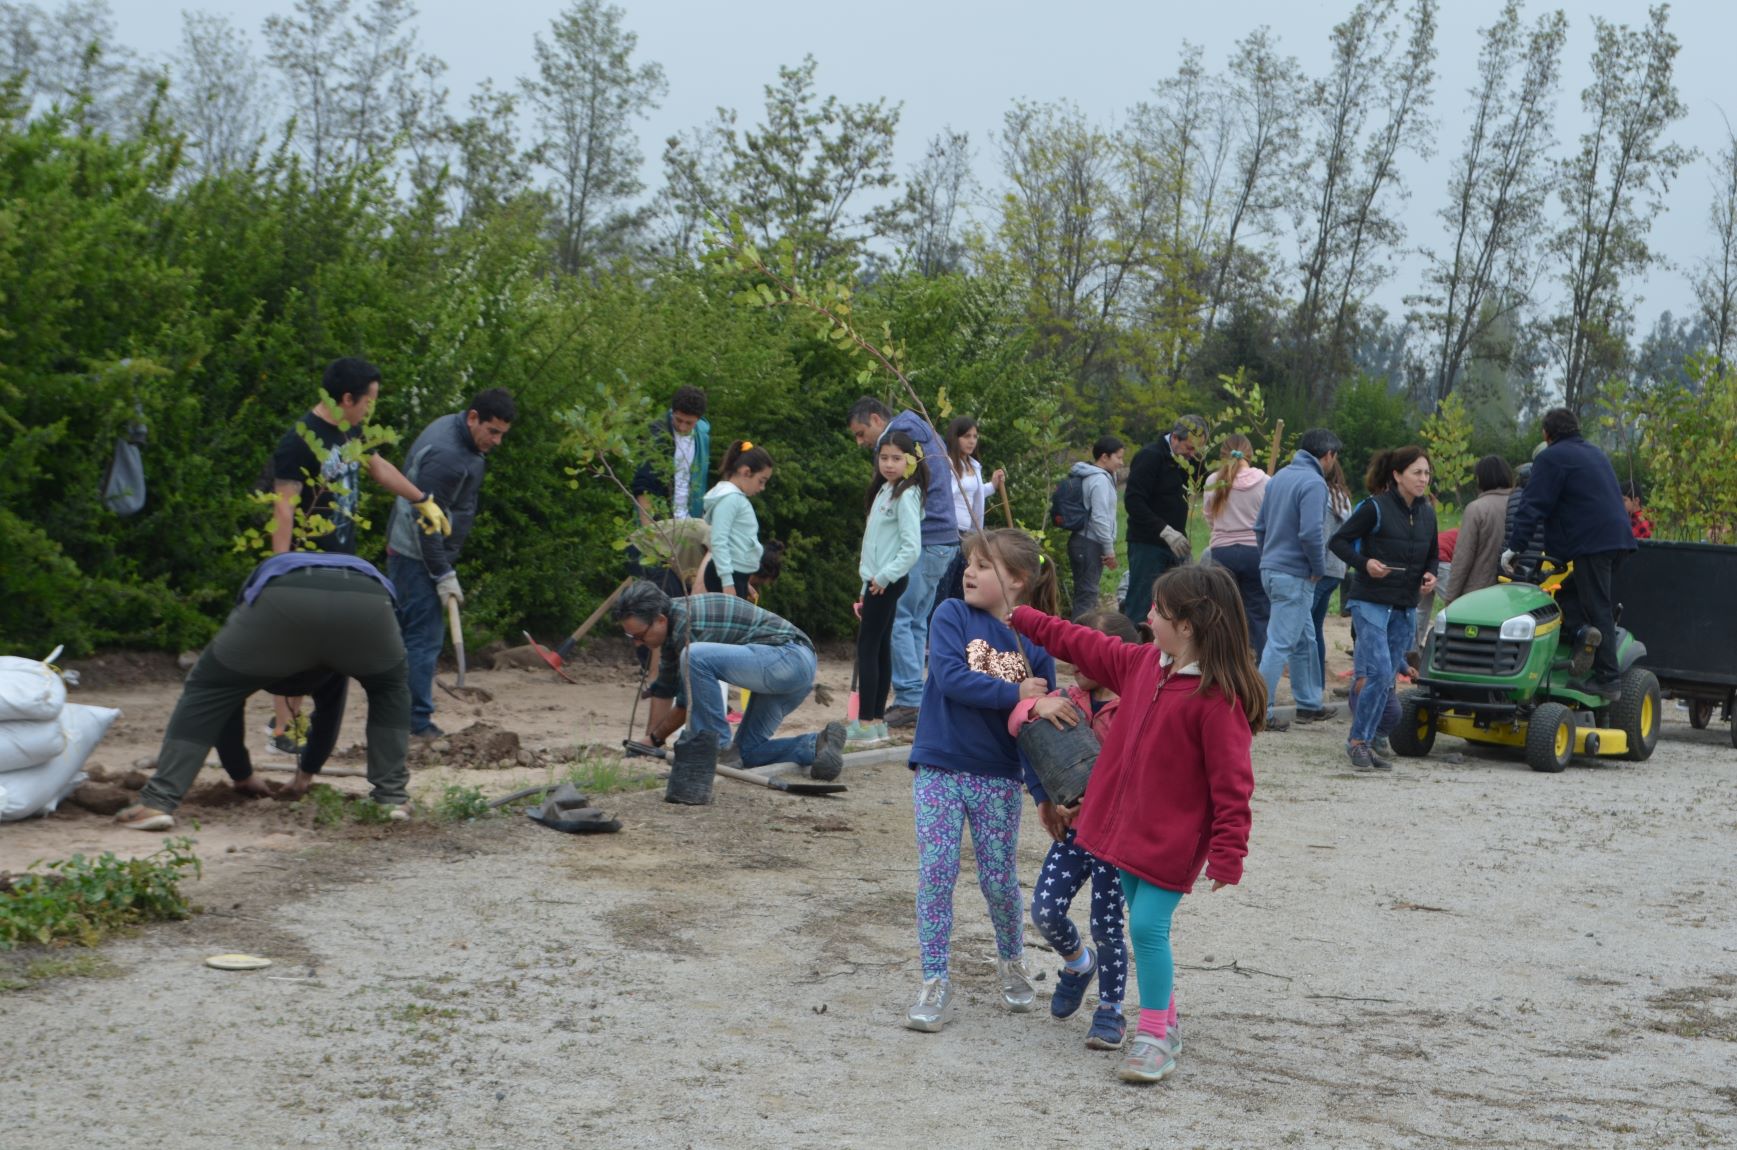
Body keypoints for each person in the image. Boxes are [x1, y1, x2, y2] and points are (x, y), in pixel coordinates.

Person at [1009, 564, 1259, 1084]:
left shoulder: (1217, 701)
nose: (1146, 618)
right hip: (1120, 833)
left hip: (1172, 840)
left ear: (1187, 624)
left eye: (1158, 611)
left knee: (1146, 928)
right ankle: (1166, 1017)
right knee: (1142, 927)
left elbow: (1233, 786)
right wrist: (1024, 617)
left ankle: (1151, 1036)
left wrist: (1228, 853)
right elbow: (1077, 641)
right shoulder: (1143, 663)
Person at [114, 553, 414, 831]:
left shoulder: (263, 593)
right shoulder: (334, 669)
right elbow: (329, 715)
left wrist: (241, 775)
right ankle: (391, 799)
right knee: (390, 690)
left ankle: (157, 802)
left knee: (213, 687)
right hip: (370, 601)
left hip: (281, 599)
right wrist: (306, 774)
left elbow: (223, 703)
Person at [903, 529, 1059, 1034]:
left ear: (1017, 581)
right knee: (938, 871)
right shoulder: (951, 615)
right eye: (970, 562)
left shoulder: (1035, 645)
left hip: (997, 776)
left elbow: (1040, 728)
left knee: (998, 879)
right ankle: (933, 978)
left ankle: (1011, 960)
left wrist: (1044, 794)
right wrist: (1015, 691)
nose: (969, 572)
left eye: (984, 566)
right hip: (940, 767)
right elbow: (949, 677)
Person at [267, 357, 449, 755]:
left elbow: (378, 467)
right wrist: (278, 570)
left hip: (341, 562)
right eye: (368, 401)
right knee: (298, 645)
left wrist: (422, 500)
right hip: (305, 561)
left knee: (324, 648)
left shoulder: (349, 431)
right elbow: (284, 508)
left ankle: (295, 724)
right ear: (347, 398)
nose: (370, 408)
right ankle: (283, 731)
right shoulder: (298, 441)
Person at [1006, 608, 1141, 1052]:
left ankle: (1111, 1010)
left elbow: (1141, 773)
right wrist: (1043, 796)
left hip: (1117, 839)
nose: (1074, 662)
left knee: (1107, 925)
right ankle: (1079, 965)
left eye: (1085, 653)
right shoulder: (1065, 699)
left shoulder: (1137, 706)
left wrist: (1100, 798)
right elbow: (1025, 731)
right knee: (1045, 911)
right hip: (1074, 833)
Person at [613, 581, 846, 778]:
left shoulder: (688, 624)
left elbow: (687, 703)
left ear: (660, 620)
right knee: (745, 754)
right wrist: (650, 742)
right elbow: (665, 689)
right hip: (792, 670)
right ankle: (816, 745)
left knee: (694, 656)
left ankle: (717, 747)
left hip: (788, 657)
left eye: (639, 635)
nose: (637, 643)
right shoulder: (674, 631)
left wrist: (654, 739)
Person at [386, 388, 516, 739]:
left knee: (408, 638)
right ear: (473, 417)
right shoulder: (448, 456)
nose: (498, 441)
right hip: (416, 557)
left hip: (415, 553)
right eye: (493, 431)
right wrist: (441, 571)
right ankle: (415, 722)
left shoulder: (459, 434)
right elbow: (425, 523)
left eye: (503, 433)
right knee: (423, 640)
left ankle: (398, 715)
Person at [1504, 408, 1636, 700]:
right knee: (1567, 595)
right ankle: (1582, 637)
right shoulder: (1594, 452)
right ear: (1575, 428)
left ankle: (1608, 679)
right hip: (1618, 541)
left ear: (1546, 434)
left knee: (1597, 606)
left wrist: (1515, 546)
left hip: (1593, 544)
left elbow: (1533, 504)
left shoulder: (1551, 457)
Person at [847, 398, 956, 729]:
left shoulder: (903, 437)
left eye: (862, 433)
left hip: (928, 537)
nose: (861, 442)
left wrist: (883, 572)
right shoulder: (918, 429)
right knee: (916, 620)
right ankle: (915, 697)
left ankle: (909, 700)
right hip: (943, 538)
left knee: (900, 619)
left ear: (878, 419)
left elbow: (908, 529)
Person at [1330, 446, 1439, 771]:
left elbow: (1431, 554)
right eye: (1417, 472)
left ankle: (1371, 740)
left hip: (1405, 606)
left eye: (1427, 473)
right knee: (1377, 672)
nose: (1423, 479)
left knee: (1387, 678)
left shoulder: (1428, 513)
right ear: (1397, 475)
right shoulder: (1375, 508)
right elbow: (1337, 542)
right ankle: (1358, 742)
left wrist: (1429, 574)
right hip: (1370, 603)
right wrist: (1365, 564)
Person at [1253, 427, 1342, 731]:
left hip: (1272, 568)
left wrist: (1268, 557)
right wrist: (1318, 566)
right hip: (1296, 574)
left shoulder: (1278, 477)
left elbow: (1260, 527)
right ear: (1327, 455)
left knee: (1305, 638)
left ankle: (1308, 703)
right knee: (1279, 643)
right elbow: (1310, 533)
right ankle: (1259, 711)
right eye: (1334, 457)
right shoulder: (1314, 482)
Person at [850, 431, 926, 746]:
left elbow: (911, 548)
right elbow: (876, 545)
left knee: (868, 648)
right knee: (879, 647)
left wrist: (882, 578)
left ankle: (866, 722)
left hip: (887, 582)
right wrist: (864, 585)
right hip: (876, 582)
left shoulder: (906, 495)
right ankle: (877, 721)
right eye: (884, 457)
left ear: (910, 461)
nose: (890, 464)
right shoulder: (885, 490)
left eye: (897, 458)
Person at [1121, 415, 1208, 622]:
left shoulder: (1189, 461)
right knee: (1142, 603)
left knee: (1175, 602)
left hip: (1176, 544)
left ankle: (1163, 651)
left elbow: (1204, 483)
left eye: (1197, 450)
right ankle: (1132, 647)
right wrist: (1164, 531)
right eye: (1189, 448)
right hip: (1147, 544)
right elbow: (1134, 502)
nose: (1192, 454)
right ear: (1175, 438)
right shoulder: (1150, 457)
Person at [1204, 434, 1269, 653]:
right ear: (1249, 454)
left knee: (1223, 611)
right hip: (1255, 552)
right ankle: (1260, 670)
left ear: (1223, 455)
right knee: (1258, 611)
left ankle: (1223, 665)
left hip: (1222, 552)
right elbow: (1269, 520)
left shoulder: (1213, 481)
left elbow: (1209, 516)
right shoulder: (1265, 481)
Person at [631, 385, 711, 524]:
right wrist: (649, 533)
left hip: (690, 520)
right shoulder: (655, 434)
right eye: (678, 420)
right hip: (661, 521)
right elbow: (643, 487)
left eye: (689, 423)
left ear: (698, 419)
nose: (682, 427)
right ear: (672, 411)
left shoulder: (702, 437)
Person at [701, 441, 772, 597]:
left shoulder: (736, 499)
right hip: (726, 578)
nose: (762, 488)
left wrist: (743, 582)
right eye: (761, 481)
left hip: (736, 576)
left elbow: (737, 545)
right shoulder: (730, 499)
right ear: (746, 472)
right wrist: (728, 583)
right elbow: (719, 540)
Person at [1066, 435, 1124, 619]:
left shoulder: (1098, 477)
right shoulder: (1098, 480)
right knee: (1087, 597)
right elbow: (1099, 518)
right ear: (1104, 457)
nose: (1121, 463)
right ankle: (1077, 643)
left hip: (1084, 541)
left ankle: (1079, 640)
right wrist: (1109, 549)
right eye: (1119, 457)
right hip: (1088, 543)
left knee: (1085, 594)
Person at [1444, 456, 1515, 604]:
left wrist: (1450, 598)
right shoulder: (1521, 505)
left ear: (1481, 479)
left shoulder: (1476, 509)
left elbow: (1463, 557)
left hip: (1478, 594)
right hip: (1513, 592)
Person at [1311, 455, 1354, 692]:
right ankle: (1318, 679)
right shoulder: (1343, 498)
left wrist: (1314, 565)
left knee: (1306, 626)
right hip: (1337, 570)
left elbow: (1323, 536)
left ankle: (1312, 681)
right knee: (1315, 626)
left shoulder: (1324, 497)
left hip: (1322, 568)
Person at [943, 416, 1005, 535]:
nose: (972, 441)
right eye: (967, 436)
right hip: (950, 530)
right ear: (955, 438)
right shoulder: (948, 464)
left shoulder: (973, 465)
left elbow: (973, 493)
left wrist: (993, 485)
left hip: (968, 532)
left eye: (975, 436)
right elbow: (944, 496)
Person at [1414, 526, 1459, 656]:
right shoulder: (1467, 535)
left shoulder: (1457, 532)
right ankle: (1453, 646)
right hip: (1440, 561)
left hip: (1425, 559)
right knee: (1456, 604)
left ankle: (1412, 648)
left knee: (1422, 608)